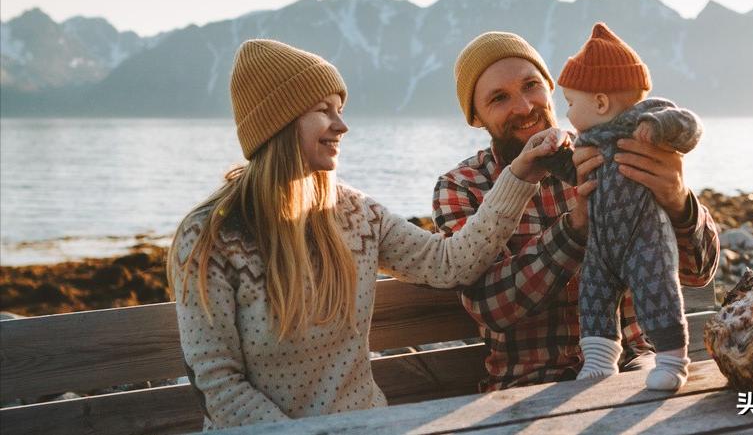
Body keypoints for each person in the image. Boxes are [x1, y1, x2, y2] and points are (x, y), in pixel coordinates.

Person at [167, 39, 564, 429]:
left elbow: (449, 264)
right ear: (280, 123)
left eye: (340, 110)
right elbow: (218, 384)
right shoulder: (209, 237)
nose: (342, 125)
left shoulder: (356, 213)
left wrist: (518, 176)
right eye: (325, 111)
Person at [433, 31, 720, 392]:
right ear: (476, 116)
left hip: (635, 370)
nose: (524, 106)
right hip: (528, 386)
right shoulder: (463, 186)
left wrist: (677, 199)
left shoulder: (617, 148)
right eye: (499, 98)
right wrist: (575, 230)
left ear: (551, 87)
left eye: (531, 85)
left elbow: (700, 273)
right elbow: (490, 305)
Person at [559, 22, 703, 391]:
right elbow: (564, 169)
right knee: (592, 293)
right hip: (601, 246)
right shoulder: (582, 142)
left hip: (644, 237)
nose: (568, 115)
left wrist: (659, 133)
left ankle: (672, 361)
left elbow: (688, 125)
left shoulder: (646, 118)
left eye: (571, 104)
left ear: (601, 102)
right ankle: (598, 360)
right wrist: (541, 162)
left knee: (658, 289)